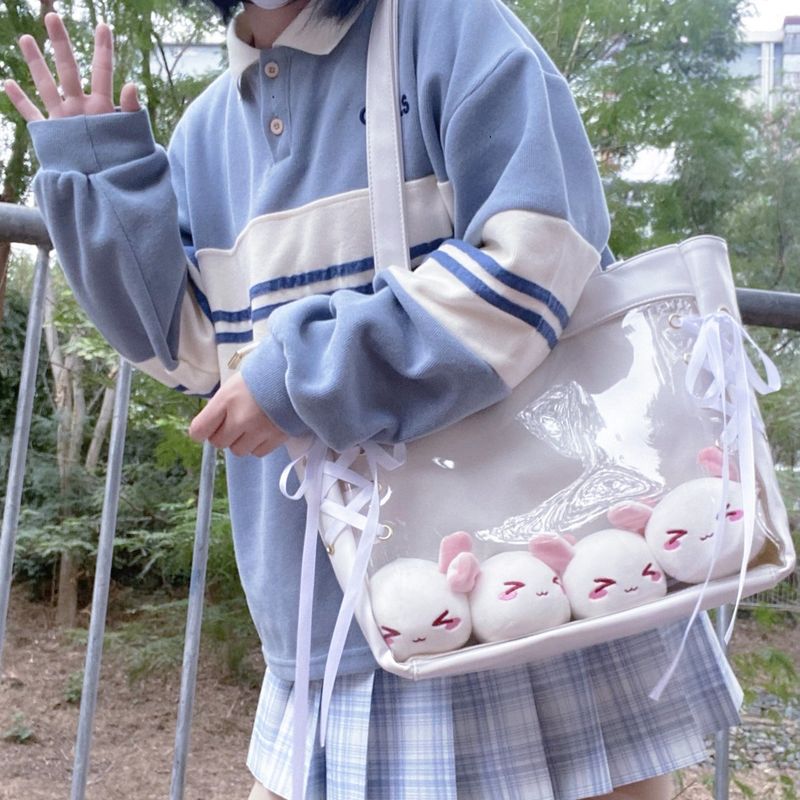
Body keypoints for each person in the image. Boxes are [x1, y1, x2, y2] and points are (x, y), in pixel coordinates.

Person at [5, 1, 742, 798]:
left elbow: (543, 251)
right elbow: (191, 354)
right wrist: (100, 172)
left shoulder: (448, 25)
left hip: (532, 568)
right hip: (337, 606)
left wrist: (300, 378)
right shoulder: (209, 131)